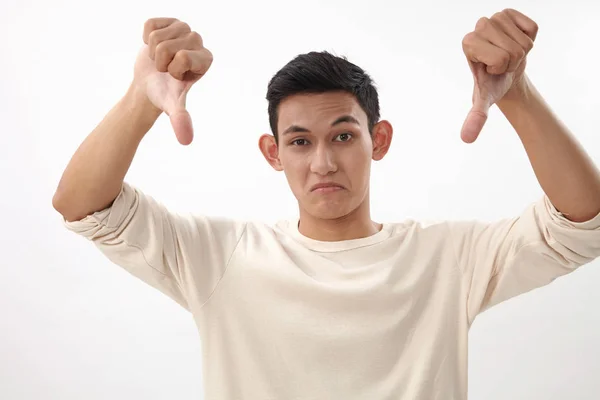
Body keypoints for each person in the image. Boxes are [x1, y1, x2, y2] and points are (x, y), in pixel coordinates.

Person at [52, 8, 600, 400]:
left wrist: (518, 94)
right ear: (273, 152)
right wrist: (138, 100)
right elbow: (81, 206)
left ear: (378, 140)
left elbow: (582, 223)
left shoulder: (447, 257)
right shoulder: (220, 256)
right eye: (299, 141)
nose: (322, 163)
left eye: (342, 136)